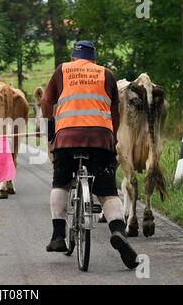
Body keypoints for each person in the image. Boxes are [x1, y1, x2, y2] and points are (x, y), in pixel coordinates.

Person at [41, 41, 139, 269]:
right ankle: (117, 230)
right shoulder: (106, 74)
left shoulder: (62, 70)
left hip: (67, 138)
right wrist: (111, 137)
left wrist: (52, 122)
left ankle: (58, 236)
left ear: (74, 58)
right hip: (100, 139)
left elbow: (47, 105)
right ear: (93, 59)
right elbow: (114, 112)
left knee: (61, 183)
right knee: (107, 191)